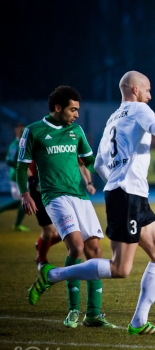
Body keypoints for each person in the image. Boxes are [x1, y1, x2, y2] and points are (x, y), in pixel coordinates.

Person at [26, 71, 155, 336]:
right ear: (134, 90)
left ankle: (139, 322)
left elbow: (97, 164)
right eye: (148, 89)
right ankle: (52, 275)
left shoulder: (113, 118)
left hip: (131, 194)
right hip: (127, 195)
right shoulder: (139, 109)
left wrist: (116, 180)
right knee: (120, 269)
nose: (150, 95)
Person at [17, 86, 112, 328]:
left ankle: (94, 314)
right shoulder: (33, 131)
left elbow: (89, 161)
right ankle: (73, 310)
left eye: (78, 110)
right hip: (55, 197)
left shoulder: (76, 131)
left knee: (95, 251)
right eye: (73, 109)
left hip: (80, 196)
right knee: (76, 247)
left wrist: (110, 172)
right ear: (58, 108)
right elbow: (21, 167)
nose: (77, 114)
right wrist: (25, 194)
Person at [33, 158, 97, 270]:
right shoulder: (36, 140)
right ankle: (42, 260)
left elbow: (82, 163)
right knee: (49, 230)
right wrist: (31, 182)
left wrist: (89, 183)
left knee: (69, 231)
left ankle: (42, 245)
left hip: (66, 194)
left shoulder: (72, 141)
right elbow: (23, 166)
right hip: (40, 191)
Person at [0, 123, 30, 232]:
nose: (22, 131)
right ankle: (17, 224)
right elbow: (9, 160)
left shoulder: (18, 143)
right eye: (20, 129)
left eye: (23, 129)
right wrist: (21, 169)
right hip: (18, 177)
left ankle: (2, 210)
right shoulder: (17, 144)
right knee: (25, 200)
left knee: (23, 200)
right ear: (15, 130)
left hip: (18, 176)